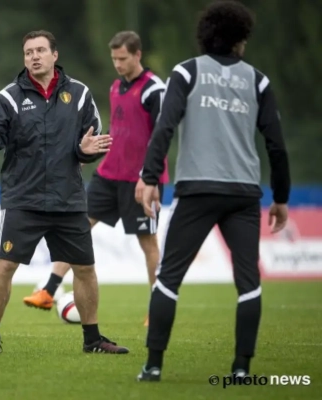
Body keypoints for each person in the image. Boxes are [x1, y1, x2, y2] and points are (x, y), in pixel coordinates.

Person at [135, 1, 291, 382]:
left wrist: (150, 177)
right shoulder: (258, 81)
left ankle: (153, 365)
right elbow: (276, 144)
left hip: (197, 190)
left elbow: (164, 127)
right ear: (239, 40)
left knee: (168, 277)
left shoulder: (186, 72)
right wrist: (281, 196)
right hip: (243, 194)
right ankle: (241, 369)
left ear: (205, 35)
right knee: (248, 283)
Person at [0, 30, 129, 355]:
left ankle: (93, 340)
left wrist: (85, 151)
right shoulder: (9, 97)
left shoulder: (80, 94)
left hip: (68, 199)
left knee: (85, 269)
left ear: (55, 55)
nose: (34, 56)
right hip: (23, 200)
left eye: (40, 50)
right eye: (28, 52)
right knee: (5, 266)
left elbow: (92, 140)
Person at [22, 31, 167, 327]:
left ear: (137, 55)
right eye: (114, 59)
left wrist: (148, 176)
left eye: (123, 58)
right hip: (108, 174)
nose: (118, 64)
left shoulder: (155, 90)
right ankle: (49, 289)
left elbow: (161, 136)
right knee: (77, 227)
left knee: (148, 242)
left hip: (141, 180)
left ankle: (158, 307)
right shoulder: (116, 86)